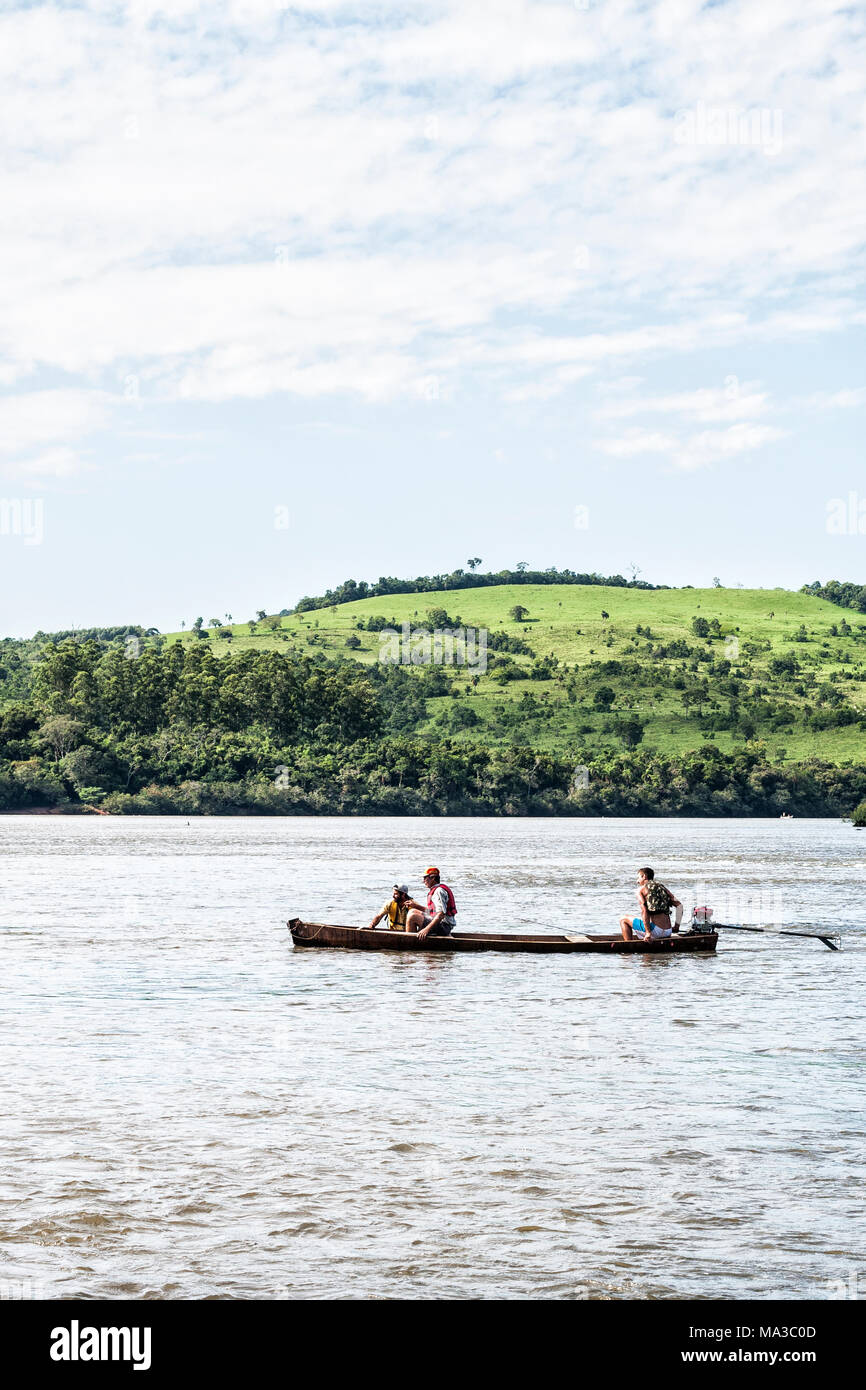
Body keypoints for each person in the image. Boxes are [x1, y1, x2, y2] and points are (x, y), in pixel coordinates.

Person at [620, 866, 683, 941]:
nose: (637, 881)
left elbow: (644, 911)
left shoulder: (641, 890)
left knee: (623, 919)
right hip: (668, 931)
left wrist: (648, 933)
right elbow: (679, 906)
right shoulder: (662, 888)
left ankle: (628, 946)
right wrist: (676, 926)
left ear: (644, 876)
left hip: (656, 932)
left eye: (639, 878)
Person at [406, 867, 458, 940]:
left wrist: (426, 929)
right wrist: (415, 906)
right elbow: (432, 912)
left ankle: (410, 942)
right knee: (412, 911)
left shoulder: (438, 891)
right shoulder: (436, 890)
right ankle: (414, 938)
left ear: (433, 878)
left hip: (444, 927)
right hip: (441, 924)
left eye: (425, 878)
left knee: (413, 916)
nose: (424, 881)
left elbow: (441, 914)